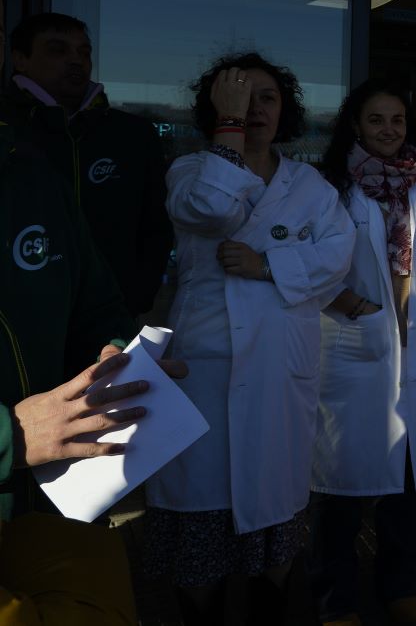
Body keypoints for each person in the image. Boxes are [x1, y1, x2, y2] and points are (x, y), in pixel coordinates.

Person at [144, 52, 355, 624]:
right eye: (239, 96)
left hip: (279, 370)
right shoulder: (190, 171)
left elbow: (338, 258)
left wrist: (268, 265)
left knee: (275, 530)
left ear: (285, 110)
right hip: (206, 368)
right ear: (216, 106)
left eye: (266, 97)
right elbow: (210, 211)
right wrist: (228, 129)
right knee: (203, 528)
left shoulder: (310, 186)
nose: (254, 108)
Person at [0, 0, 183, 626]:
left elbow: (95, 296)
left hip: (63, 496)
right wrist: (10, 438)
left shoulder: (26, 167)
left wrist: (118, 352)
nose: (77, 64)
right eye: (56, 50)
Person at [309, 80, 416, 626]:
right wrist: (346, 301)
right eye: (377, 121)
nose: (388, 130)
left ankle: (399, 587)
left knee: (404, 484)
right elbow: (309, 261)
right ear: (356, 125)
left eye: (397, 120)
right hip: (352, 349)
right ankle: (335, 599)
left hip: (415, 347)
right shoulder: (331, 189)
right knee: (340, 489)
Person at [0, 13, 173, 318]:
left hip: (111, 324)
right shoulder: (6, 129)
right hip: (20, 328)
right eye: (58, 50)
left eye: (84, 51)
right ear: (20, 59)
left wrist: (135, 297)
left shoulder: (132, 134)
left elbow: (157, 227)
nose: (76, 60)